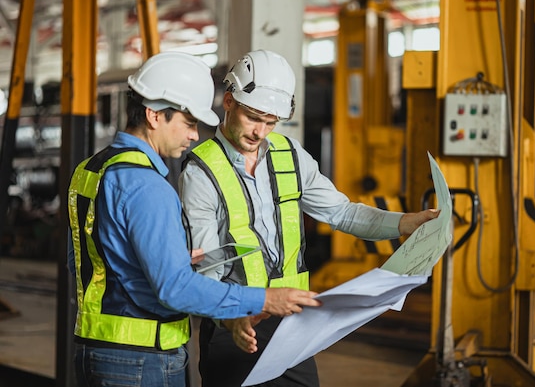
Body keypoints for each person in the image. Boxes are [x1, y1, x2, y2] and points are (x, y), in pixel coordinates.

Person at [178, 49, 440, 387]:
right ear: (229, 102)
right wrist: (232, 320)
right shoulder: (201, 172)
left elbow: (342, 212)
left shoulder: (291, 155)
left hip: (292, 326)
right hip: (238, 326)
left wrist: (405, 223)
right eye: (253, 117)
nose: (260, 132)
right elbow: (205, 268)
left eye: (270, 122)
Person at [66, 51, 321, 387]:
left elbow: (84, 262)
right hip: (143, 358)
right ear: (155, 115)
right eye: (188, 123)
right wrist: (265, 298)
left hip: (97, 350)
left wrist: (165, 260)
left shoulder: (91, 169)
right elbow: (175, 289)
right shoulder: (147, 185)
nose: (194, 136)